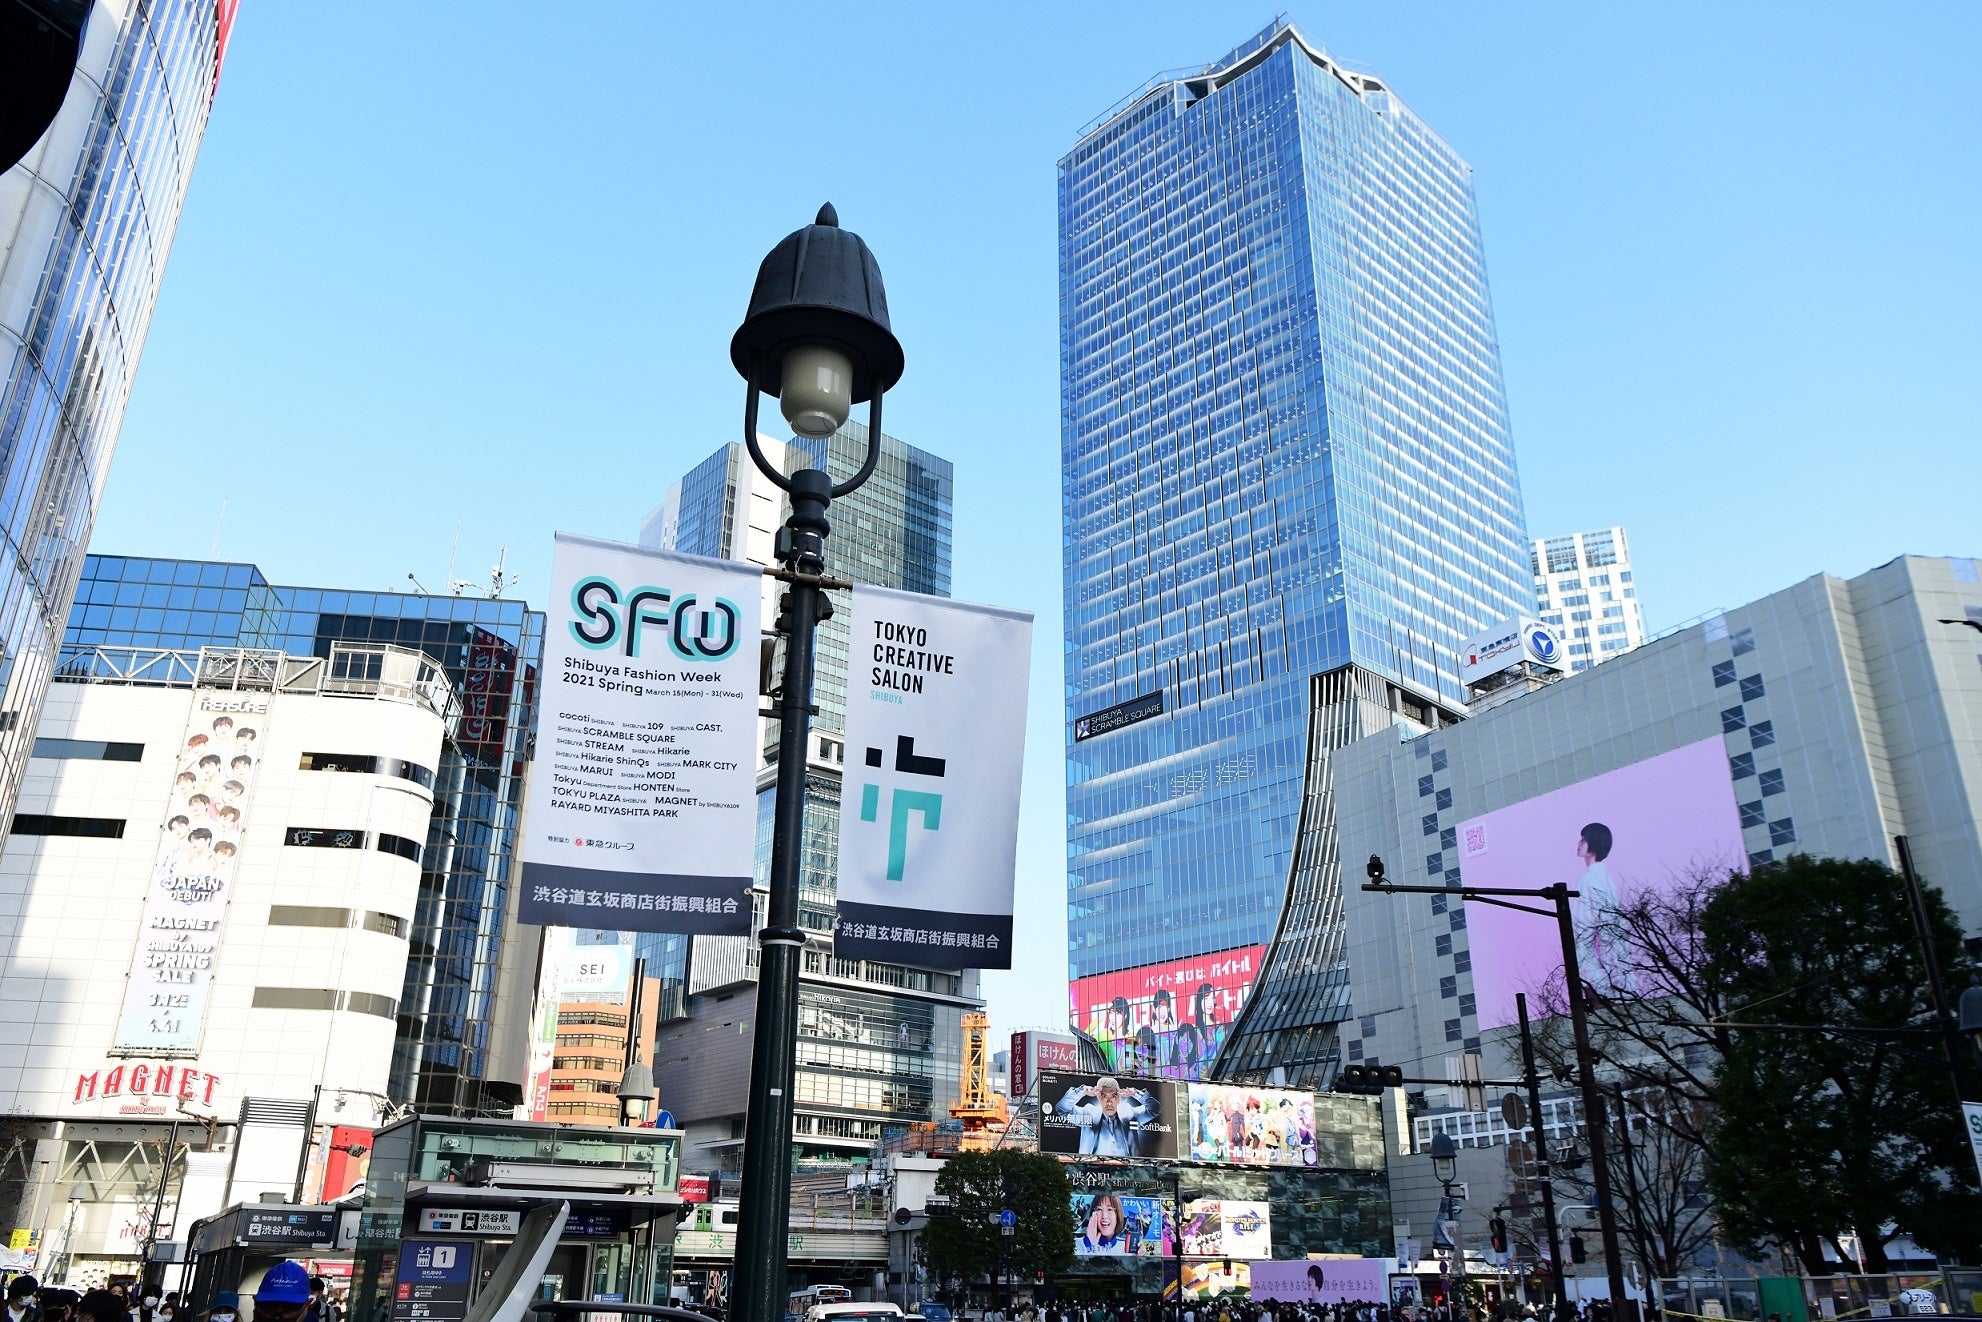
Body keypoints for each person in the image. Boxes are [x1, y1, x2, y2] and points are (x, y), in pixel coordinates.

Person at [1054, 1076, 1158, 1156]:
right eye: (1104, 1096)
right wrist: (1082, 1091)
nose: (1109, 1102)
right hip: (1092, 1170)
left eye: (1113, 1096)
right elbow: (1062, 1109)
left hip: (1128, 1172)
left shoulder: (1130, 1113)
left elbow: (1155, 1109)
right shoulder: (1088, 1113)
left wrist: (1136, 1094)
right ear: (1098, 1097)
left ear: (1119, 1097)